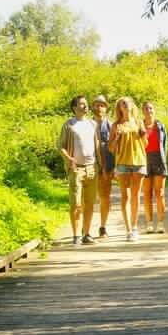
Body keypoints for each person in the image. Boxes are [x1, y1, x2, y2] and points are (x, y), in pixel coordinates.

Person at [58, 95, 100, 245]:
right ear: (74, 107)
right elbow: (61, 146)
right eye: (82, 104)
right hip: (76, 169)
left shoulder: (92, 124)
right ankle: (76, 235)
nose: (85, 106)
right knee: (76, 203)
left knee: (90, 203)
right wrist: (69, 159)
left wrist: (101, 165)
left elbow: (97, 146)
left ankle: (87, 234)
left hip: (92, 168)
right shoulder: (69, 125)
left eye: (86, 104)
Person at [107, 96, 146, 240]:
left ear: (132, 106)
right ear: (119, 108)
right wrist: (116, 138)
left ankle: (135, 227)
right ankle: (128, 230)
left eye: (128, 102)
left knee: (136, 196)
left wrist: (143, 134)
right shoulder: (116, 125)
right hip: (122, 162)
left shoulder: (138, 122)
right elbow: (111, 148)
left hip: (139, 161)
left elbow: (145, 144)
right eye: (123, 103)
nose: (126, 104)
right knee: (126, 196)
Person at [141, 100, 168, 233]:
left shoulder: (160, 126)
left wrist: (164, 160)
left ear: (154, 110)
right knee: (147, 193)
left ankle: (161, 223)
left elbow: (165, 145)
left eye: (151, 108)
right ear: (143, 111)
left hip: (158, 159)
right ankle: (149, 223)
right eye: (146, 108)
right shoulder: (139, 126)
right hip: (144, 160)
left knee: (160, 193)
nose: (149, 110)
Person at [92, 95, 115, 238]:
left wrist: (113, 168)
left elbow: (116, 148)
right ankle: (85, 227)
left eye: (102, 105)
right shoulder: (87, 124)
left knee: (105, 197)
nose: (99, 107)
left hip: (106, 167)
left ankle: (103, 226)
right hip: (90, 166)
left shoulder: (111, 126)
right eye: (96, 105)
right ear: (92, 107)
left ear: (106, 108)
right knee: (87, 198)